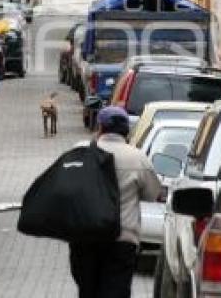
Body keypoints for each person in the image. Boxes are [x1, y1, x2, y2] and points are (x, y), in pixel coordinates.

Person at [69, 106, 162, 298]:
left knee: (88, 291)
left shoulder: (81, 152)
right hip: (122, 240)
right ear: (126, 130)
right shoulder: (137, 158)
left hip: (85, 237)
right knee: (116, 291)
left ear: (100, 127)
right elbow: (152, 194)